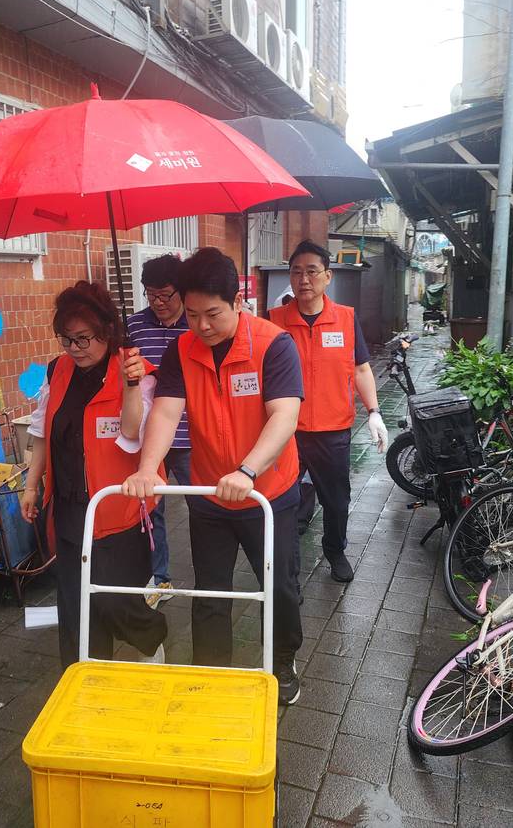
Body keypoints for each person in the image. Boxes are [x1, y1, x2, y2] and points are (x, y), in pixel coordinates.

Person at [123, 248, 304, 705]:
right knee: (209, 590)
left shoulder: (272, 344)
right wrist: (148, 468)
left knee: (278, 585)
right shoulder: (182, 351)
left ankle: (283, 659)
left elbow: (284, 416)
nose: (201, 326)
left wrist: (248, 469)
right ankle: (211, 673)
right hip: (209, 494)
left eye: (213, 314)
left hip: (268, 491)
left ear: (239, 300)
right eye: (193, 314)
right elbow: (165, 412)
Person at [21, 281, 167, 669]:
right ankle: (84, 673)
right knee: (75, 602)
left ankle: (150, 644)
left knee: (117, 599)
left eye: (83, 339)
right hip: (70, 508)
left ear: (106, 330)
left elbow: (132, 433)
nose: (74, 349)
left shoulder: (135, 369)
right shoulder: (58, 371)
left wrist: (131, 387)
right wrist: (31, 485)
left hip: (117, 510)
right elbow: (41, 432)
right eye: (66, 339)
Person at [269, 239, 389, 584]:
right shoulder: (274, 321)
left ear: (327, 276)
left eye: (311, 271)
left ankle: (335, 551)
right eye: (296, 272)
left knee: (336, 501)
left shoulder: (346, 320)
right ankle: (286, 569)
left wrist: (375, 412)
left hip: (332, 430)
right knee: (283, 501)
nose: (303, 279)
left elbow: (362, 369)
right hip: (285, 431)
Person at [127, 254, 191, 609]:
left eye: (166, 295)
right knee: (152, 510)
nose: (159, 303)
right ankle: (160, 576)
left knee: (205, 506)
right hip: (149, 438)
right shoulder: (134, 325)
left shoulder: (196, 325)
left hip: (192, 436)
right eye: (151, 295)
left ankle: (212, 572)